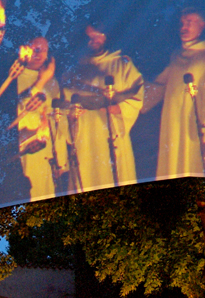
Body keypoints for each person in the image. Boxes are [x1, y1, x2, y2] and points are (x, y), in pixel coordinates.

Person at [143, 7, 205, 178]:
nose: (184, 27)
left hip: (194, 124)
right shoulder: (176, 55)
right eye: (182, 23)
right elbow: (160, 83)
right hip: (172, 122)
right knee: (171, 164)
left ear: (202, 26)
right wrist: (134, 102)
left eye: (189, 22)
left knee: (192, 163)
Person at [63, 24, 143, 190]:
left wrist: (117, 109)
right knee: (86, 177)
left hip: (111, 129)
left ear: (106, 36)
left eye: (98, 35)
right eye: (90, 36)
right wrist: (72, 113)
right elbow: (64, 98)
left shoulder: (122, 64)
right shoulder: (75, 68)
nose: (94, 39)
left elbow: (138, 92)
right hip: (85, 133)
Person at [16, 36, 68, 200]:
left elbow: (58, 120)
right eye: (35, 49)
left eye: (43, 50)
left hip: (47, 151)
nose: (39, 54)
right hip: (26, 149)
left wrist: (61, 158)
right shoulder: (15, 77)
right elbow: (20, 110)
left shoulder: (52, 83)